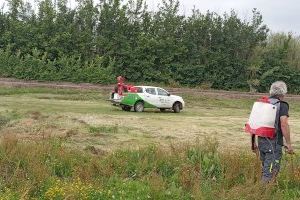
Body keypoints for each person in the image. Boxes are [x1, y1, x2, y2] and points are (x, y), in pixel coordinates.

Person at [252, 81, 294, 183]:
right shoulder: (282, 105)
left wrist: (253, 143)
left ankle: (267, 192)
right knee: (270, 172)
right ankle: (262, 194)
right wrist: (288, 144)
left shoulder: (262, 104)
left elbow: (253, 124)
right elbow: (283, 124)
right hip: (274, 144)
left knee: (266, 168)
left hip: (262, 141)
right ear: (283, 93)